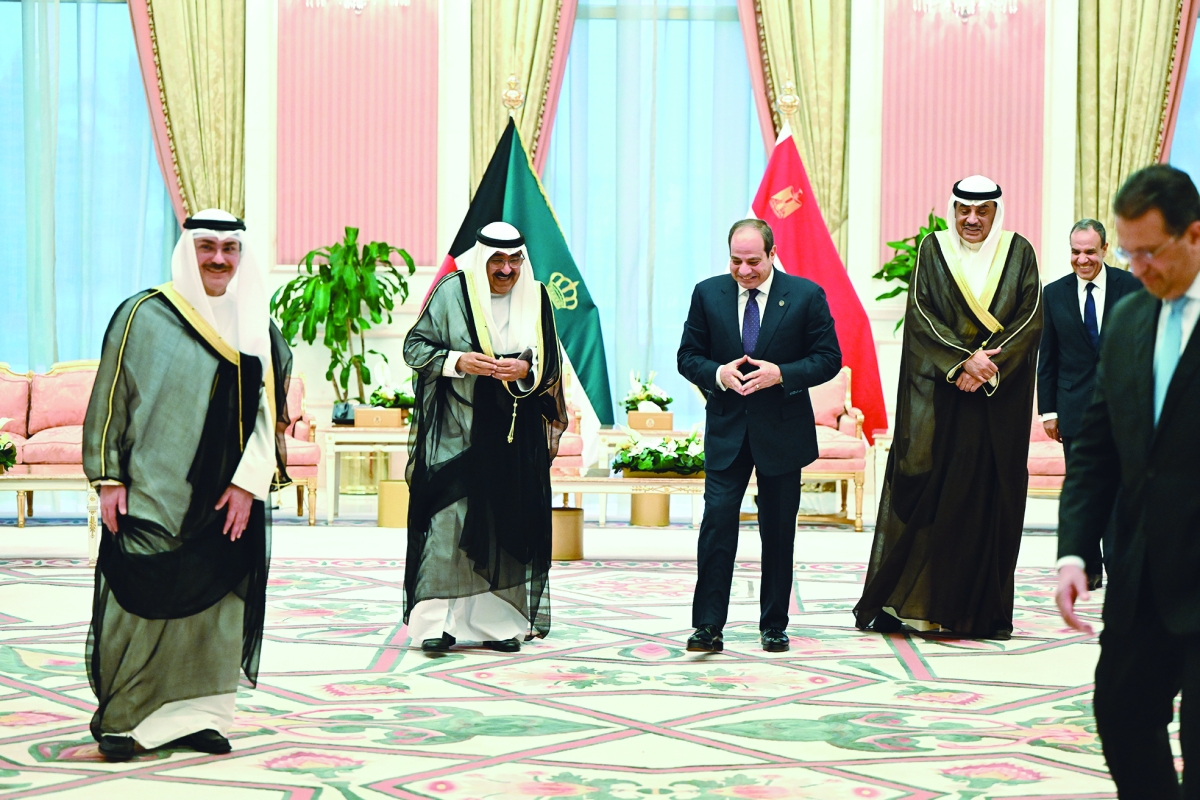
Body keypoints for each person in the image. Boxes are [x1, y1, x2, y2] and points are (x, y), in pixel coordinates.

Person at [82, 209, 292, 761]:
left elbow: (269, 415)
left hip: (228, 493)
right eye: (207, 247)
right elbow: (111, 398)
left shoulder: (256, 324)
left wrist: (248, 485)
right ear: (188, 249)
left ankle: (199, 717)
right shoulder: (144, 314)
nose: (218, 259)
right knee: (140, 599)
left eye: (229, 248)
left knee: (215, 608)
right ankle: (126, 718)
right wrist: (108, 476)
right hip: (152, 483)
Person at [1056, 164, 1200, 797]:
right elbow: (1097, 451)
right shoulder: (1129, 320)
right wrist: (1074, 551)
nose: (1137, 268)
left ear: (1194, 235)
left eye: (1151, 252)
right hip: (1142, 575)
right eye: (1128, 253)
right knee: (1120, 715)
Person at [854, 175, 1043, 639]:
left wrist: (986, 367)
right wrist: (963, 361)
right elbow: (921, 314)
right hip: (946, 396)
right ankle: (926, 606)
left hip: (996, 401)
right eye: (963, 210)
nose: (971, 219)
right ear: (953, 209)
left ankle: (978, 613)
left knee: (988, 502)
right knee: (939, 499)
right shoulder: (932, 249)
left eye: (982, 211)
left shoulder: (1020, 252)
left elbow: (1031, 318)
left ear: (997, 211)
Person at [677, 219, 841, 653]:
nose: (744, 271)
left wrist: (781, 374)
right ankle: (707, 626)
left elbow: (828, 358)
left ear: (772, 254)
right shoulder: (707, 293)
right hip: (727, 431)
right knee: (717, 526)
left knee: (778, 531)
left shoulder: (805, 295)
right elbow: (687, 356)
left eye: (753, 261)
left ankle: (774, 625)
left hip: (783, 433)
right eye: (736, 261)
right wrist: (718, 373)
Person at [403, 222, 567, 654]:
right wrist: (459, 361)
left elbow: (551, 363)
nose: (507, 269)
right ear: (482, 259)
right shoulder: (453, 292)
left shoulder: (538, 296)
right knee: (448, 520)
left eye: (514, 260)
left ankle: (496, 625)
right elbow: (414, 348)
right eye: (497, 260)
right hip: (458, 431)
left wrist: (526, 369)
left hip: (514, 433)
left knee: (505, 523)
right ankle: (435, 623)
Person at [1036, 219, 1140, 589]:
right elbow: (1047, 356)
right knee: (1083, 491)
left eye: (1090, 252)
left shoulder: (1131, 286)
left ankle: (1117, 565)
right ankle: (1089, 568)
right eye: (1076, 252)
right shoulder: (1054, 293)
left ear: (1105, 250)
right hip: (1074, 409)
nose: (1082, 259)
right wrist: (1049, 411)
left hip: (1123, 409)